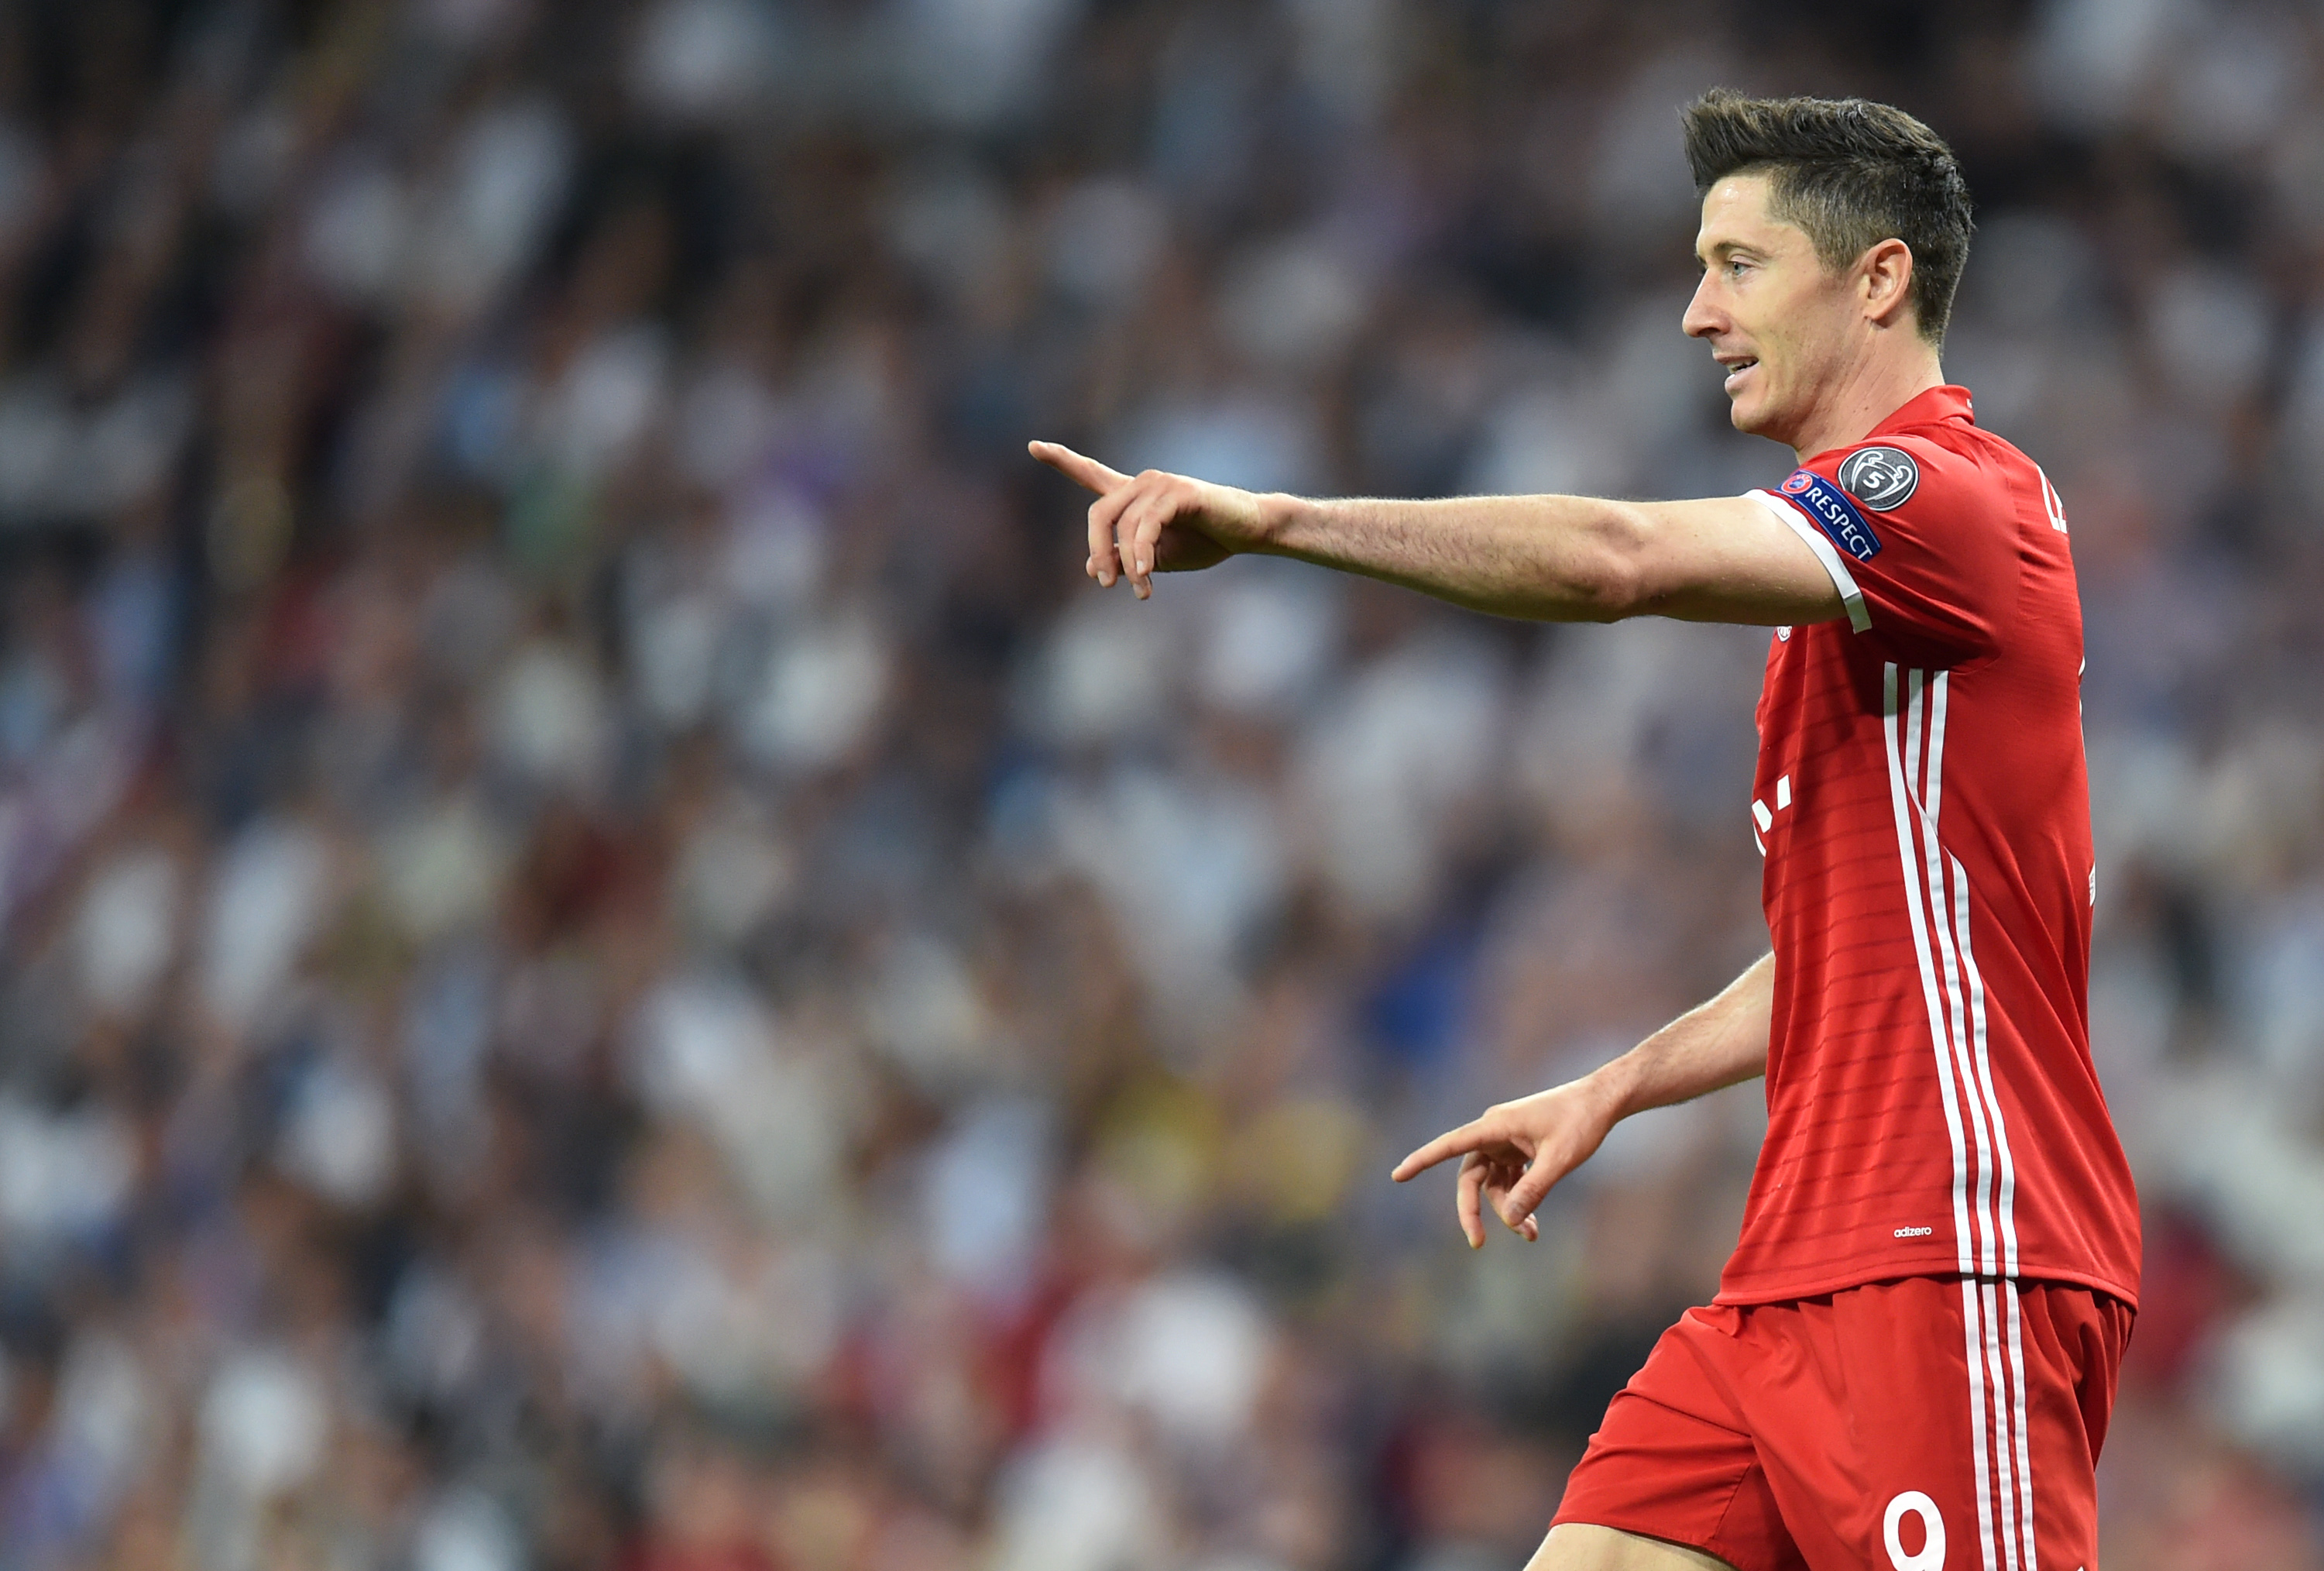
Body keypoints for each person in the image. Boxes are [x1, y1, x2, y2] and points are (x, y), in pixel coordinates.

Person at [1030, 90, 2139, 1571]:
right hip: (1795, 1268)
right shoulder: (1861, 592)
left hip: (1953, 1246)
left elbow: (1617, 561)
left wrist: (1282, 522)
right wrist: (1612, 1088)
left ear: (1876, 278)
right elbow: (1855, 951)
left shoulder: (1948, 495)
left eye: (1737, 264)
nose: (1694, 313)